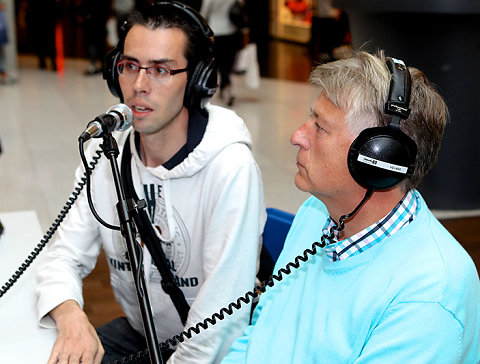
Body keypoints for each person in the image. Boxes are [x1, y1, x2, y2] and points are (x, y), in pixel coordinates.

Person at [36, 2, 265, 364]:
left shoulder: (230, 167)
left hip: (216, 348)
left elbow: (221, 323)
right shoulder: (106, 153)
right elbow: (62, 256)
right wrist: (71, 318)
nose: (139, 86)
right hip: (143, 334)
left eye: (160, 69)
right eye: (129, 66)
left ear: (198, 80)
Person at [221, 51, 480, 363]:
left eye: (320, 126)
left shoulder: (430, 294)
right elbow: (258, 334)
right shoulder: (315, 214)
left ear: (380, 158)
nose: (296, 136)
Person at [200, 0, 245, 107]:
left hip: (215, 32)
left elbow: (203, 14)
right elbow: (241, 5)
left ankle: (227, 87)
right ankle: (225, 88)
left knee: (219, 63)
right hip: (230, 31)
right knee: (227, 63)